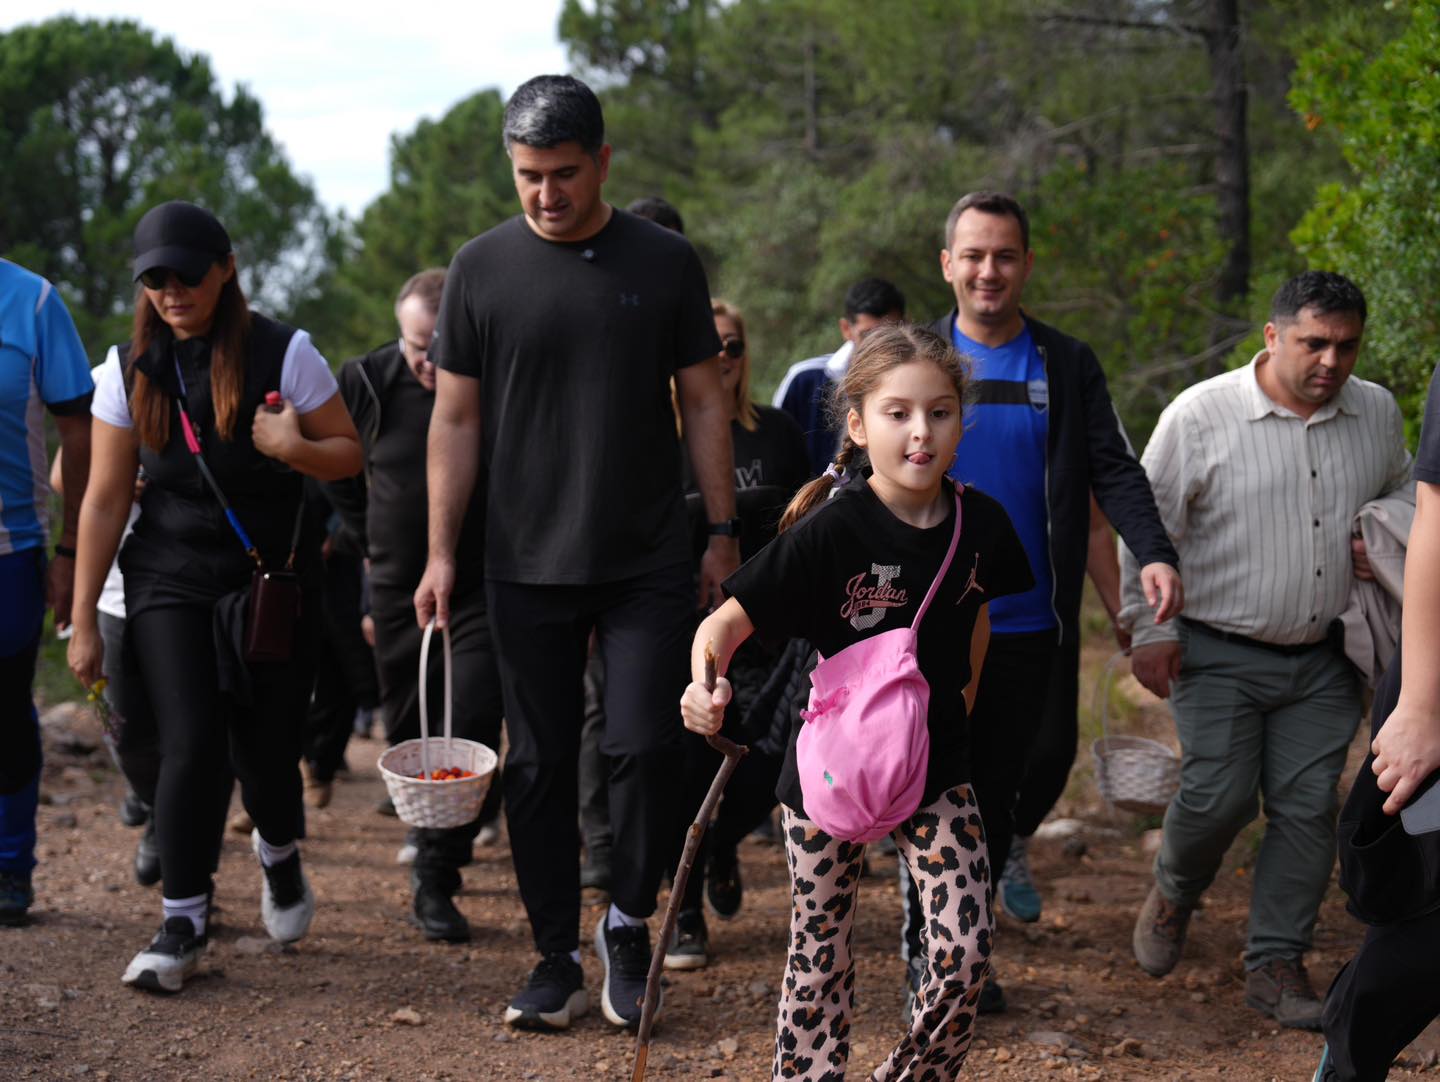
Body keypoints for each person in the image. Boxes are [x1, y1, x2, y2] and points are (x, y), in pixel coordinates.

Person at [414, 75, 737, 1031]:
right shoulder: (480, 269)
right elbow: (455, 419)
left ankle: (627, 926)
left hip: (646, 554)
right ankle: (553, 953)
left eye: (563, 173)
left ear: (602, 161)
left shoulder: (665, 262)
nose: (546, 194)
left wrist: (722, 534)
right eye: (528, 176)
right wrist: (440, 553)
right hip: (523, 559)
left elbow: (705, 401)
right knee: (541, 765)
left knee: (644, 745)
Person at [683, 323, 1033, 1081]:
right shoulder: (830, 529)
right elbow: (722, 625)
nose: (920, 431)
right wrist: (703, 684)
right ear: (858, 424)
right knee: (819, 954)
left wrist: (957, 708)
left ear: (961, 423)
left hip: (937, 769)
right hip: (827, 774)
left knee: (964, 953)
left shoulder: (983, 525)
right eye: (897, 413)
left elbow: (975, 618)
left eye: (940, 412)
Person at [67, 200, 362, 993]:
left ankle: (279, 852)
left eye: (188, 275)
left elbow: (348, 454)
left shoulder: (285, 352)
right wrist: (82, 617)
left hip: (269, 579)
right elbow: (102, 500)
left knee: (265, 753)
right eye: (155, 279)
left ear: (226, 270)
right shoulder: (125, 369)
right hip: (167, 576)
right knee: (190, 745)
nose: (172, 292)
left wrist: (295, 447)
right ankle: (182, 922)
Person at [1122, 270, 1410, 1030]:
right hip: (1215, 649)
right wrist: (1149, 629)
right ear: (1273, 336)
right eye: (1314, 343)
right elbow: (1147, 525)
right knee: (1217, 798)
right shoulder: (1199, 415)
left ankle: (1276, 964)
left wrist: (1382, 530)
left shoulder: (1375, 410)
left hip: (1326, 654)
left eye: (1347, 346)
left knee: (1308, 808)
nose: (1331, 361)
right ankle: (1176, 890)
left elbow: (1407, 489)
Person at [920, 190, 1181, 1014]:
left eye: (1005, 255)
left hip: (1033, 620)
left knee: (1018, 780)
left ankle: (975, 912)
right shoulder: (916, 356)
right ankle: (942, 959)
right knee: (941, 787)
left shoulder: (1063, 363)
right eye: (974, 255)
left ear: (1027, 265)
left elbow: (1114, 469)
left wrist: (1155, 553)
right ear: (948, 264)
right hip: (929, 624)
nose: (988, 271)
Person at [325, 268, 502, 943]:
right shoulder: (367, 380)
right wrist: (363, 537)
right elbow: (339, 468)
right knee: (409, 720)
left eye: (441, 348)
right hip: (398, 580)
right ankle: (435, 829)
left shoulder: (491, 379)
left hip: (484, 576)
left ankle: (436, 875)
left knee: (474, 710)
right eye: (417, 348)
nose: (429, 363)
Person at [664, 299, 810, 969]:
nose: (722, 357)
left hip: (771, 628)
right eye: (710, 346)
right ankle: (686, 911)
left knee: (769, 757)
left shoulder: (776, 432)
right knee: (688, 767)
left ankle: (725, 843)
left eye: (734, 346)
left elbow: (807, 522)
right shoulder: (661, 438)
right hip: (686, 624)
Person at [1316, 367, 1440, 1081]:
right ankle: (1350, 1056)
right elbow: (1435, 521)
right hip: (1437, 678)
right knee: (1427, 906)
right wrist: (1421, 704)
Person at [0, 258, 93, 927]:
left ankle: (10, 865)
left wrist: (70, 549)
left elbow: (79, 430)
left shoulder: (32, 302)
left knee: (5, 708)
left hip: (10, 549)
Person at [773, 277, 907, 475]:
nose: (877, 345)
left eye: (887, 335)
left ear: (904, 327)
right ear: (846, 329)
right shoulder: (805, 380)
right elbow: (775, 452)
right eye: (867, 335)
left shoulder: (914, 384)